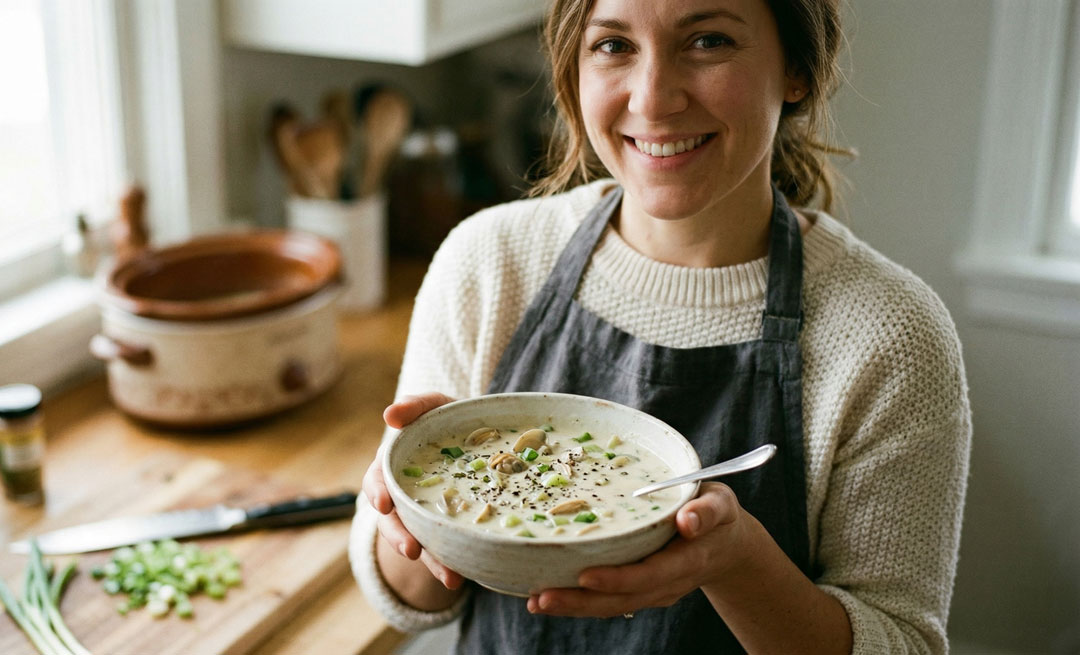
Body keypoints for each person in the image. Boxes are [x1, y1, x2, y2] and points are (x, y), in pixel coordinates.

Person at [348, 0, 972, 652]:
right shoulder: (489, 262)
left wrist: (735, 562)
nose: (653, 99)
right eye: (614, 46)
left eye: (707, 40)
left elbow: (903, 642)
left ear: (797, 69)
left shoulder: (891, 336)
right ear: (572, 69)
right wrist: (415, 504)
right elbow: (410, 595)